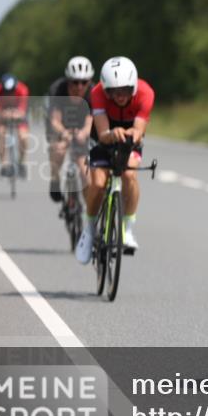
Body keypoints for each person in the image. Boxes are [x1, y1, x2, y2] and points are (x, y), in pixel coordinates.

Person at [75, 57, 155, 264]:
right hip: (104, 137)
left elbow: (139, 129)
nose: (121, 96)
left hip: (130, 137)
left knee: (129, 175)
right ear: (106, 89)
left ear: (134, 86)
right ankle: (90, 230)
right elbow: (102, 134)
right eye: (115, 92)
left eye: (127, 90)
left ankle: (127, 230)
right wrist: (112, 133)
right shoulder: (97, 93)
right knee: (99, 184)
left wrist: (131, 134)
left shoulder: (146, 93)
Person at [46, 56, 94, 202]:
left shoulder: (93, 92)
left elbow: (90, 118)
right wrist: (63, 132)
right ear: (68, 80)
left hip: (81, 125)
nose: (79, 87)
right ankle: (55, 181)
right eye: (75, 82)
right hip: (61, 125)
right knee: (58, 149)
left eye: (84, 82)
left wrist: (84, 133)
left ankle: (89, 213)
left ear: (90, 81)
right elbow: (54, 119)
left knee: (85, 171)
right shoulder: (58, 89)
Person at [0, 74, 30, 178]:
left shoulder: (23, 89)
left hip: (18, 115)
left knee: (23, 137)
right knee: (0, 133)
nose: (9, 93)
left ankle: (21, 162)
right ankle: (4, 164)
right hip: (3, 114)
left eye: (12, 91)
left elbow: (22, 111)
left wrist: (16, 114)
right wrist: (3, 114)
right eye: (6, 92)